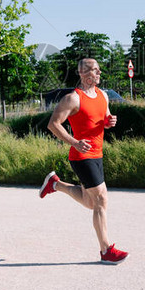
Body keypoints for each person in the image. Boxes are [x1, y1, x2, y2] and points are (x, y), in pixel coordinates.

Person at [39, 58, 128, 264]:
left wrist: (109, 122)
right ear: (83, 73)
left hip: (97, 154)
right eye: (94, 70)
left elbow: (104, 119)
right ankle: (106, 250)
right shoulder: (72, 99)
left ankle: (56, 184)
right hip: (81, 156)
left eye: (98, 70)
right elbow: (53, 125)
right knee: (101, 200)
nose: (98, 73)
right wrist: (75, 142)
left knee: (90, 202)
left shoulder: (103, 95)